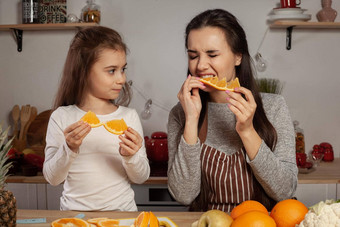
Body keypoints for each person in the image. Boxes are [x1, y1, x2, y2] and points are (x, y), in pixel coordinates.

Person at [167, 9, 297, 212]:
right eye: (193, 56)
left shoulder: (274, 107)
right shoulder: (181, 113)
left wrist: (247, 131)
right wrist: (191, 122)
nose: (200, 65)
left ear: (238, 56)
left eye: (212, 54)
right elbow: (184, 195)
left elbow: (285, 190)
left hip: (260, 223)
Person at [43, 26, 150, 211]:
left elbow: (140, 177)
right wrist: (69, 149)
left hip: (122, 218)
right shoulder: (61, 117)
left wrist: (131, 156)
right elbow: (53, 178)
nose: (122, 79)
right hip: (75, 218)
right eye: (111, 70)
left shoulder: (128, 117)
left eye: (123, 69)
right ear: (83, 71)